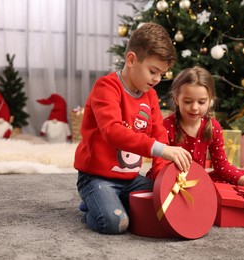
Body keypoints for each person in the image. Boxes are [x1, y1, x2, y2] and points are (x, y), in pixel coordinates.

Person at [74, 22, 192, 235]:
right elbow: (113, 131)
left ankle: (110, 203)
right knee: (115, 223)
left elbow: (159, 136)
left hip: (130, 179)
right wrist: (161, 149)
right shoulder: (106, 87)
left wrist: (161, 176)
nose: (157, 80)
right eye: (153, 71)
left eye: (161, 74)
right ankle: (92, 208)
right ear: (131, 60)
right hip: (97, 177)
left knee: (167, 199)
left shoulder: (151, 96)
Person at [147, 66, 244, 194]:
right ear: (176, 99)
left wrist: (242, 180)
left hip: (196, 179)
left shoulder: (213, 126)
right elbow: (160, 164)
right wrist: (171, 183)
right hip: (169, 178)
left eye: (202, 102)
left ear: (210, 101)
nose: (194, 108)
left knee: (243, 175)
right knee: (151, 185)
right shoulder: (166, 126)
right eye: (187, 101)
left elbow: (221, 165)